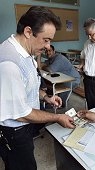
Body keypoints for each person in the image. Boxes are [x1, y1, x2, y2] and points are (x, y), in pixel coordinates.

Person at [0, 6, 76, 170]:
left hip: (24, 127)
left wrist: (45, 97)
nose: (49, 46)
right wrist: (57, 117)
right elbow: (22, 114)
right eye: (46, 39)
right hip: (15, 131)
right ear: (28, 32)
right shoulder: (10, 64)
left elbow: (28, 87)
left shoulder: (26, 53)